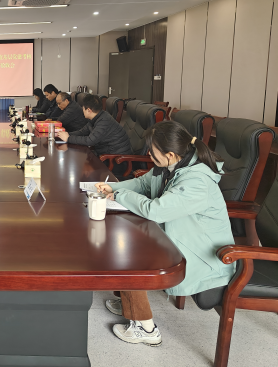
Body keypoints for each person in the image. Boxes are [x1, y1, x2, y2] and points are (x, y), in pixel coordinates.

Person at [94, 120, 235, 347]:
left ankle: (145, 328)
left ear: (170, 154)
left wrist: (120, 196)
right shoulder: (173, 165)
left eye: (152, 151)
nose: (148, 154)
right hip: (182, 238)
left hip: (205, 257)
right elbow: (142, 184)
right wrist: (113, 188)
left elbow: (156, 211)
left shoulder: (197, 180)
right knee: (125, 233)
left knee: (130, 248)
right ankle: (130, 302)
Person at [58, 94, 131, 157]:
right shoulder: (96, 117)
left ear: (89, 110)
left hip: (116, 159)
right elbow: (82, 132)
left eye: (83, 108)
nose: (82, 110)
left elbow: (90, 141)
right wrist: (64, 135)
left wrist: (69, 138)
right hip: (106, 152)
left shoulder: (104, 121)